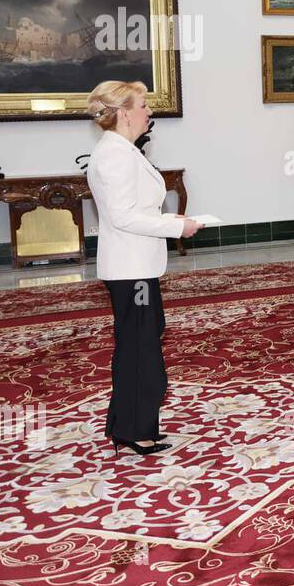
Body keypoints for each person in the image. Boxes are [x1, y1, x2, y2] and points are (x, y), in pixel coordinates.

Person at [85, 80, 203, 456]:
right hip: (130, 268)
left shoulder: (123, 150)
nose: (149, 111)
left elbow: (137, 209)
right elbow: (123, 217)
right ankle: (133, 430)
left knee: (144, 342)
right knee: (140, 347)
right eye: (143, 105)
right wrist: (176, 227)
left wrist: (171, 218)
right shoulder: (115, 154)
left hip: (136, 265)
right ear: (123, 113)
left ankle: (133, 425)